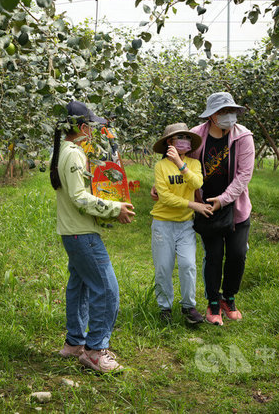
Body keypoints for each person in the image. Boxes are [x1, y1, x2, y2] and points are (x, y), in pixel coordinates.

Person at [51, 101, 135, 373]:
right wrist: (115, 208)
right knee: (107, 288)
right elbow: (78, 197)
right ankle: (96, 350)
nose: (95, 133)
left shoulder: (63, 150)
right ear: (84, 128)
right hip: (82, 233)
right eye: (93, 128)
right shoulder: (74, 153)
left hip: (71, 232)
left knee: (80, 285)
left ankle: (75, 342)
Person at [189, 92, 254, 326]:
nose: (229, 116)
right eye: (223, 112)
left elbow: (244, 175)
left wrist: (224, 199)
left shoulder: (243, 136)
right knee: (214, 256)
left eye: (231, 111)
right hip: (207, 207)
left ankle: (229, 297)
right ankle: (213, 302)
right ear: (212, 116)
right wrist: (161, 183)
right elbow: (179, 164)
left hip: (235, 208)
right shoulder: (196, 136)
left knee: (237, 254)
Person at [149, 123, 213, 325]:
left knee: (187, 265)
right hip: (163, 224)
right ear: (170, 142)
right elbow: (165, 198)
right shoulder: (160, 167)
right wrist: (193, 205)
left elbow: (197, 184)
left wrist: (180, 164)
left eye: (187, 137)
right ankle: (165, 307)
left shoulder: (193, 164)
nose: (184, 141)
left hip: (185, 225)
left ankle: (188, 305)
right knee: (163, 268)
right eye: (179, 138)